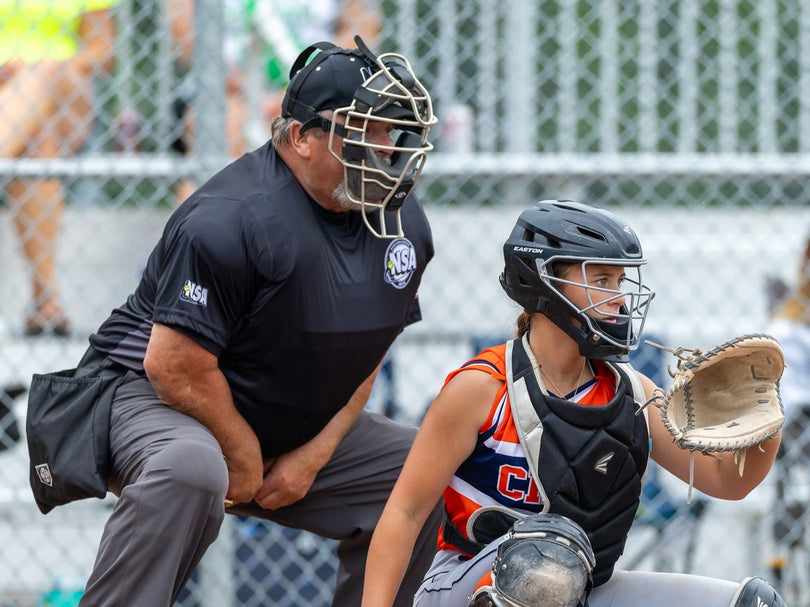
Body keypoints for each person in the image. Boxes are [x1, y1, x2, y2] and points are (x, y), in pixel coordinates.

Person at [44, 38, 439, 605]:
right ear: (301, 137)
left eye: (389, 132)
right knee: (189, 467)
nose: (383, 148)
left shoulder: (401, 221)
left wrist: (313, 455)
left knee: (426, 472)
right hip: (149, 396)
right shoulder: (232, 217)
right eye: (362, 130)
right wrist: (242, 453)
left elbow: (369, 349)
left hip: (283, 416)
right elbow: (174, 367)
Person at [360, 200, 786, 607]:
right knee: (543, 565)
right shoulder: (482, 388)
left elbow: (726, 482)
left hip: (580, 590)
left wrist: (766, 418)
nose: (619, 299)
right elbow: (405, 513)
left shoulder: (632, 391)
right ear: (540, 280)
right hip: (466, 584)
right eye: (601, 281)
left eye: (620, 282)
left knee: (753, 603)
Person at [168, 0, 382, 204]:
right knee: (226, 125)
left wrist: (304, 88)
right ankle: (211, 231)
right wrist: (242, 85)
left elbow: (363, 27)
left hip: (318, 90)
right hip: (226, 88)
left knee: (323, 132)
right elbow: (184, 30)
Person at [0, 1, 118, 336]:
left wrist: (48, 68)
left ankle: (44, 297)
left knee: (42, 83)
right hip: (6, 89)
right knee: (38, 141)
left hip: (65, 87)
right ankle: (45, 299)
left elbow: (102, 51)